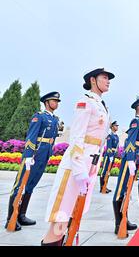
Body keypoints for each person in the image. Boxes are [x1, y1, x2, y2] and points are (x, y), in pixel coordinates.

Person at [42, 68, 114, 245]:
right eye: (104, 77)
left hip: (91, 164)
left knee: (75, 213)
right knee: (61, 214)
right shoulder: (85, 102)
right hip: (77, 167)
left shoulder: (102, 105)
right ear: (92, 80)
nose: (108, 81)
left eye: (108, 78)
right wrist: (79, 169)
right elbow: (76, 137)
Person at [6, 92, 61, 231]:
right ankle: (10, 218)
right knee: (20, 185)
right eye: (54, 101)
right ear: (47, 102)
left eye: (57, 101)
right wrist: (29, 155)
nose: (57, 103)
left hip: (44, 154)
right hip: (34, 154)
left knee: (31, 184)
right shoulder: (39, 116)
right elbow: (31, 137)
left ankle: (22, 215)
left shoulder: (54, 119)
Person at [111, 96, 139, 236]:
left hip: (137, 158)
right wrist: (130, 160)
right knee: (121, 189)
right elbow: (130, 141)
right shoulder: (135, 122)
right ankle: (118, 223)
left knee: (127, 190)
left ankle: (124, 219)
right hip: (130, 160)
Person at [99, 121, 119, 193]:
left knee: (108, 172)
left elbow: (116, 147)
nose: (117, 127)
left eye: (117, 126)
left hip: (113, 155)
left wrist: (115, 155)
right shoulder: (110, 136)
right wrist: (110, 156)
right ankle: (102, 187)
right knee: (104, 171)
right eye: (116, 126)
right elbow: (109, 147)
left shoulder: (116, 136)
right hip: (108, 156)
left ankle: (105, 186)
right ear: (112, 127)